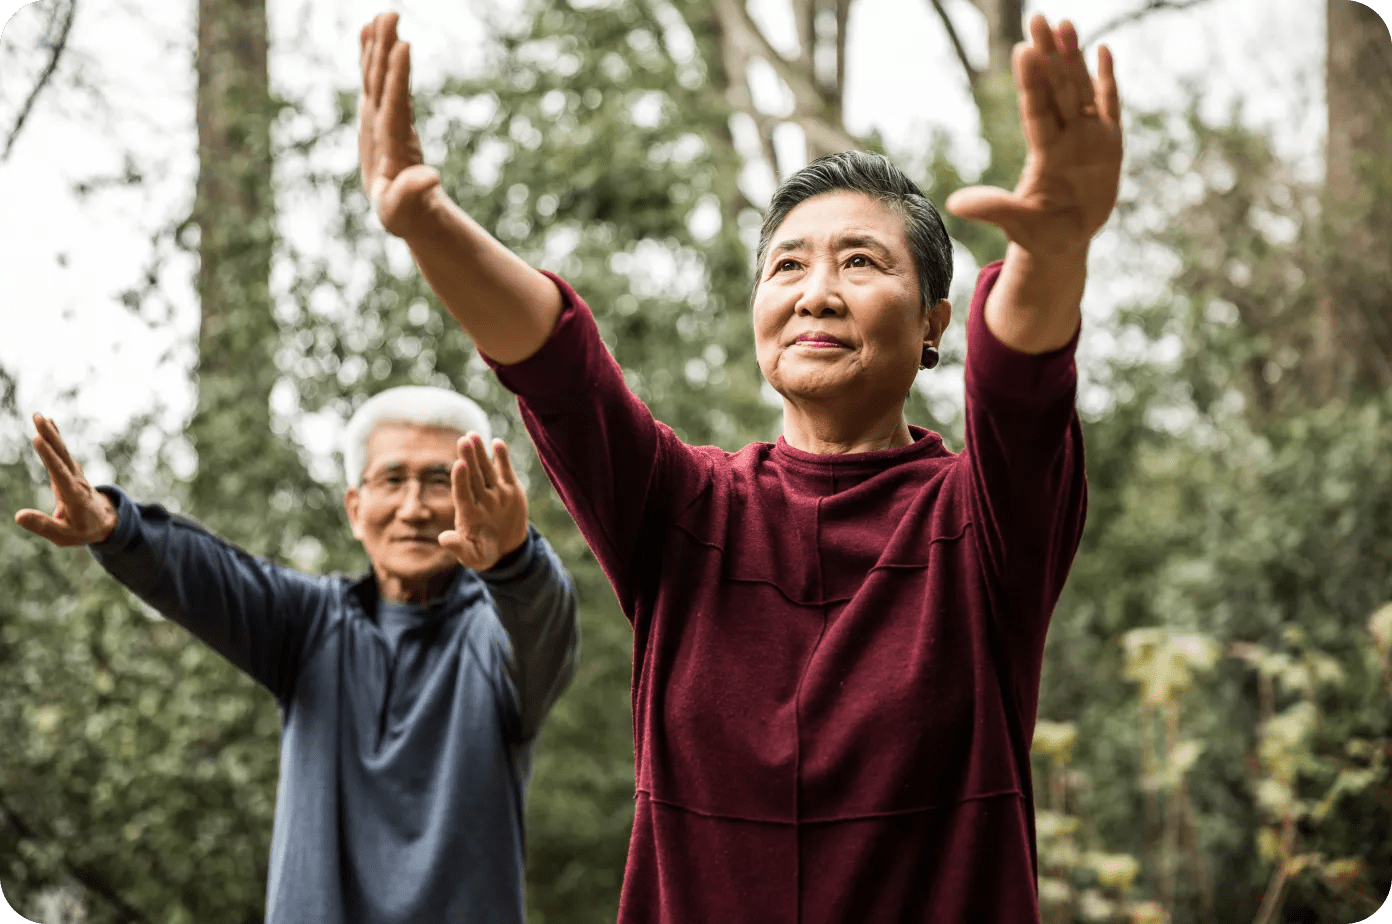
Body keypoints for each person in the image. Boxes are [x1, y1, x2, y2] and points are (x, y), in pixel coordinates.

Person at [358, 7, 1120, 921]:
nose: (817, 293)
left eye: (862, 262)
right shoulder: (686, 514)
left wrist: (1056, 253)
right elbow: (563, 371)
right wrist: (427, 221)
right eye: (787, 266)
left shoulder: (981, 526)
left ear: (932, 326)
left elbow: (1022, 396)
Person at [14, 386, 580, 924]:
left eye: (440, 482)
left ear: (472, 503)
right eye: (392, 479)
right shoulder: (312, 627)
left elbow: (543, 621)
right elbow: (211, 576)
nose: (414, 508)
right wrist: (116, 528)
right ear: (356, 509)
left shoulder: (495, 642)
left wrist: (515, 559)